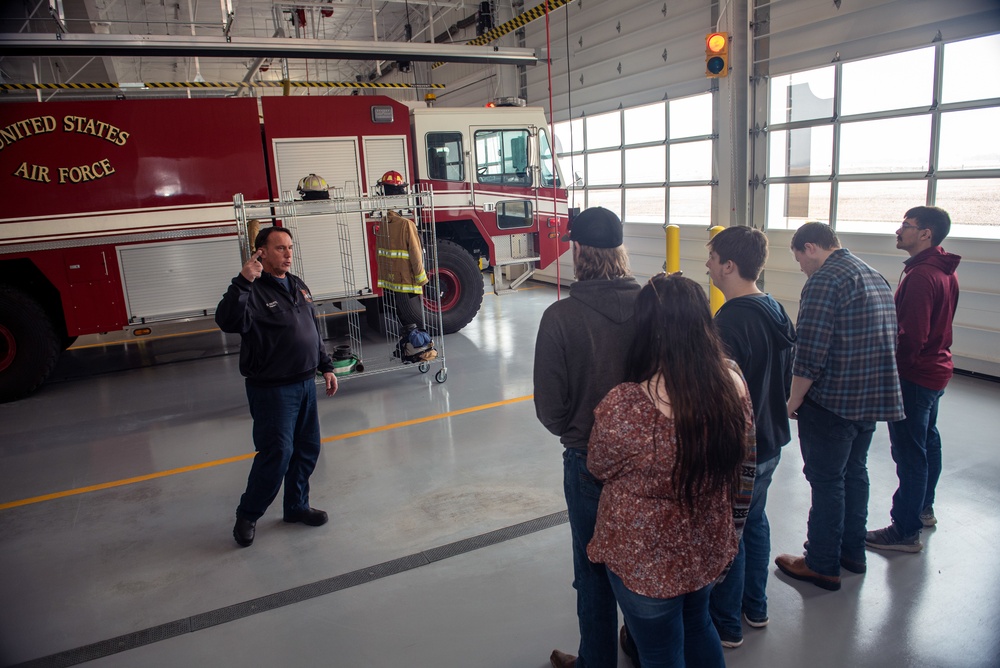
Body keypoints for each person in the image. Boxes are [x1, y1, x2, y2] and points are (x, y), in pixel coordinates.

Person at [587, 273, 756, 668]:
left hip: (647, 557)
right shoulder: (731, 379)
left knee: (660, 652)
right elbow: (746, 455)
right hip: (706, 541)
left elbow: (598, 465)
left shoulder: (627, 403)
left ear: (648, 330)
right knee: (699, 625)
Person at [533, 207, 641, 668]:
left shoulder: (560, 318)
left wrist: (580, 429)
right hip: (650, 460)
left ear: (577, 251)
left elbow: (551, 411)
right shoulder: (654, 306)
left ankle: (597, 661)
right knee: (642, 558)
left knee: (593, 568)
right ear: (620, 251)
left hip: (588, 461)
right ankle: (642, 643)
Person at [775, 222, 903, 590]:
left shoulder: (825, 280)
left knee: (827, 481)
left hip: (832, 403)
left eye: (798, 257)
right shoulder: (873, 274)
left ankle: (821, 563)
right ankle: (851, 553)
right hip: (869, 400)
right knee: (855, 474)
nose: (800, 265)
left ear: (810, 247)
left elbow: (810, 351)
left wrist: (793, 400)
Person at [216, 225, 339, 548]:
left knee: (306, 449)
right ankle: (248, 515)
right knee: (277, 453)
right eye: (280, 248)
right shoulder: (251, 290)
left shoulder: (297, 285)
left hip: (304, 383)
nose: (288, 254)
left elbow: (311, 327)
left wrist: (325, 366)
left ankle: (296, 507)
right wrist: (243, 280)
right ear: (262, 252)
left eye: (290, 248)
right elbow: (227, 322)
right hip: (272, 389)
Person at [705, 226, 795, 647]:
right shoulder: (774, 308)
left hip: (744, 449)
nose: (707, 265)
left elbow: (721, 396)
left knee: (729, 532)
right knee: (754, 522)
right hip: (773, 439)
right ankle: (755, 607)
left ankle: (726, 623)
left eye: (712, 257)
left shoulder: (732, 320)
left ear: (729, 265)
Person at [866, 206, 960, 552]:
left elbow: (912, 338)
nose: (898, 230)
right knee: (926, 443)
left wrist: (891, 373)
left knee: (909, 453)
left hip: (915, 376)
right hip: (936, 371)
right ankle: (922, 509)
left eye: (906, 226)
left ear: (926, 234)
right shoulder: (941, 270)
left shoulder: (922, 276)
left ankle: (904, 531)